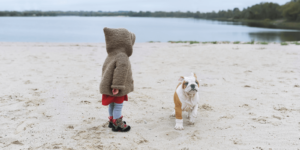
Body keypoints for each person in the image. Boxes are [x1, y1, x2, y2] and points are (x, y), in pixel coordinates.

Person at [100, 27, 135, 132]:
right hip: (117, 87)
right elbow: (120, 72)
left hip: (109, 85)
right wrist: (117, 86)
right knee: (118, 105)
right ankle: (117, 123)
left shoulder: (111, 54)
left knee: (112, 104)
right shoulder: (122, 56)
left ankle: (111, 120)